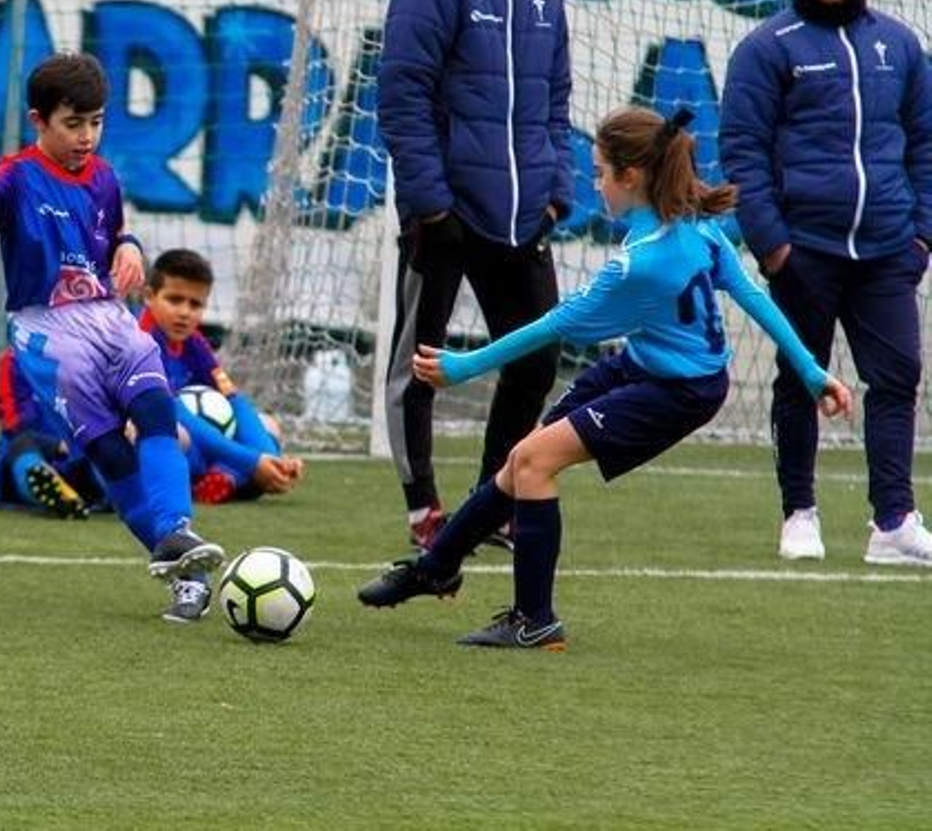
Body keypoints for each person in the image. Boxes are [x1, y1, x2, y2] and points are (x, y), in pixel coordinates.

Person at [355, 106, 852, 650]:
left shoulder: (639, 262)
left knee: (537, 463)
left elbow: (557, 324)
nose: (596, 186)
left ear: (631, 177)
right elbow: (754, 296)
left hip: (678, 392)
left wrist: (463, 366)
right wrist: (810, 370)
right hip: (643, 365)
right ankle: (437, 566)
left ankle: (534, 620)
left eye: (600, 173)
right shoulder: (696, 226)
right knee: (523, 458)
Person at [0, 51, 225, 624]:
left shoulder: (104, 177)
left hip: (108, 315)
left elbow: (115, 231)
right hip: (48, 332)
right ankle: (189, 578)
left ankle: (176, 532)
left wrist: (129, 246)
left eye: (97, 122)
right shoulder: (18, 173)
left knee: (157, 411)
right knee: (108, 450)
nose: (87, 136)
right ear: (39, 121)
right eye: (73, 123)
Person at [720, 0, 932, 566]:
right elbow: (742, 151)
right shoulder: (766, 48)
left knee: (897, 377)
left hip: (888, 250)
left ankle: (893, 521)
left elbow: (925, 141)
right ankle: (799, 513)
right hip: (803, 251)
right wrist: (773, 245)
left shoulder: (899, 46)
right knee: (799, 379)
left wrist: (922, 234)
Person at [376, 0, 573, 552]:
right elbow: (402, 96)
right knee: (418, 367)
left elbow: (556, 100)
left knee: (537, 359)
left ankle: (494, 498)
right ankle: (424, 509)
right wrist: (431, 203)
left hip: (525, 217)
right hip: (447, 214)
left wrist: (558, 192)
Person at [138, 248, 303, 504]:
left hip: (201, 443)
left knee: (268, 424)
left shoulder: (194, 342)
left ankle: (226, 478)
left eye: (195, 304)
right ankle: (234, 477)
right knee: (173, 433)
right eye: (174, 299)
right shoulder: (141, 340)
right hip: (158, 439)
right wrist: (252, 461)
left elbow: (234, 400)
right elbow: (173, 413)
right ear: (149, 296)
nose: (184, 312)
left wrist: (272, 459)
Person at [0, 347, 107, 519]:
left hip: (80, 459)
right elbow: (12, 424)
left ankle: (109, 495)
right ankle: (60, 495)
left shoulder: (88, 360)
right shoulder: (14, 360)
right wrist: (55, 446)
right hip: (31, 453)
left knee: (106, 446)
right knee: (22, 444)